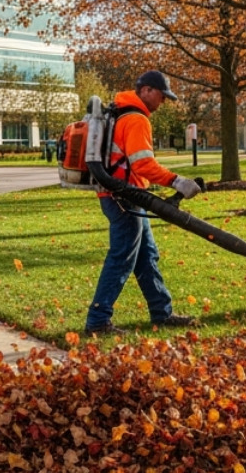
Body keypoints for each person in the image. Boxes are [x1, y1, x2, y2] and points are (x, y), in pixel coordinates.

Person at [84, 70, 203, 336]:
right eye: (161, 96)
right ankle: (98, 321)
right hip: (125, 198)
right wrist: (177, 181)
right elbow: (143, 164)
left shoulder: (119, 112)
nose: (162, 103)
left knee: (146, 257)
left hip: (120, 195)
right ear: (147, 90)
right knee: (121, 258)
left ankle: (162, 312)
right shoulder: (136, 119)